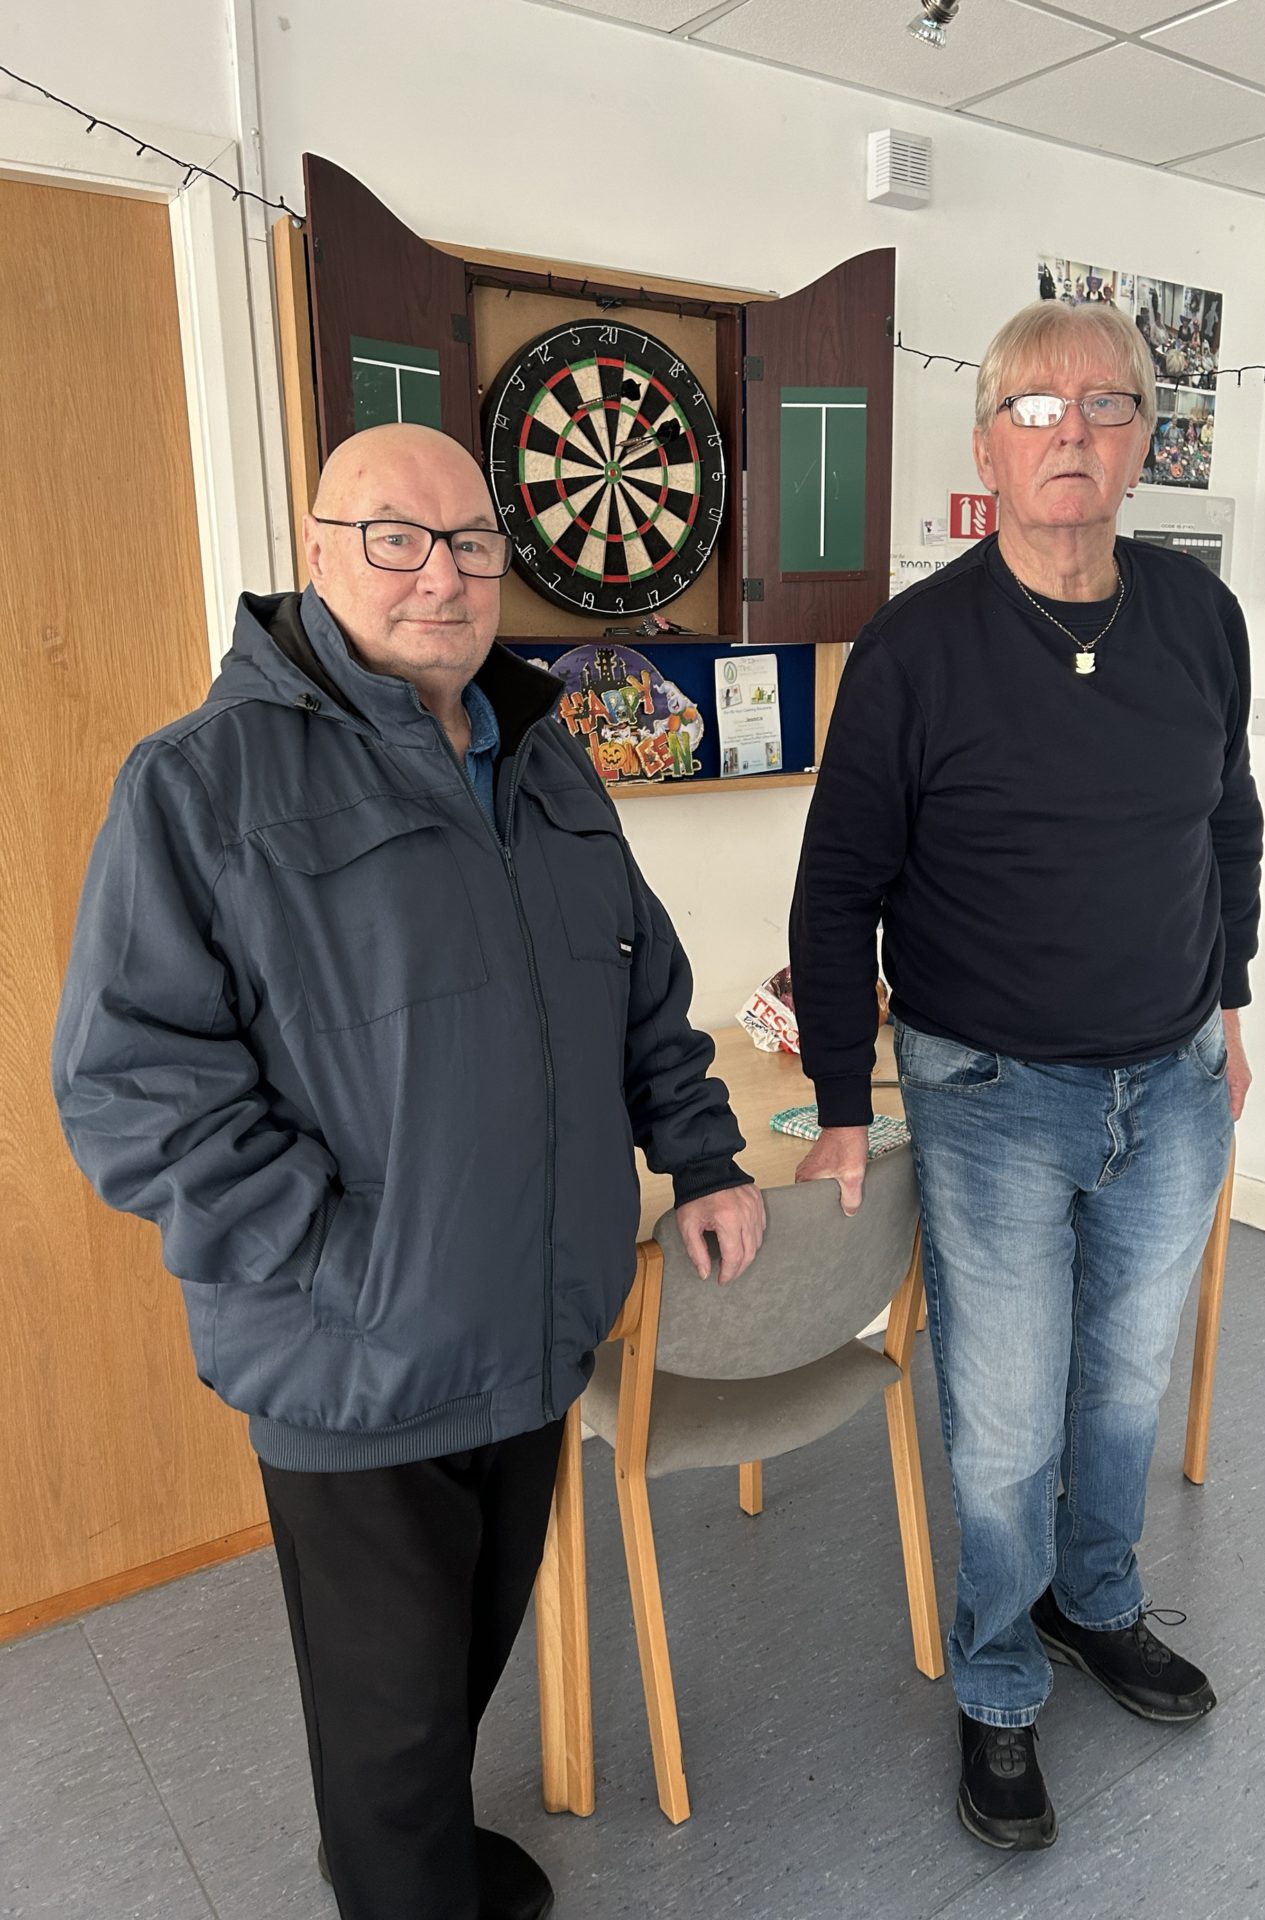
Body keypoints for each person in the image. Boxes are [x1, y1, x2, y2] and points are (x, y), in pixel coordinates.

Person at [53, 422, 766, 1920]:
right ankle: (403, 1883)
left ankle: (419, 1854)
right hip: (354, 1355)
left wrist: (700, 1156)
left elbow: (642, 987)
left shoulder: (550, 760)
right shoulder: (202, 784)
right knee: (382, 1716)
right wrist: (337, 1265)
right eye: (396, 537)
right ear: (315, 553)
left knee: (460, 1664)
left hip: (530, 1329)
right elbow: (131, 1087)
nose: (439, 574)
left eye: (472, 544)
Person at [789, 300, 1261, 1854]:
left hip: (1176, 1079)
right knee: (1000, 1420)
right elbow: (837, 885)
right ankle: (997, 1690)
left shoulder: (1201, 619)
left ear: (1143, 440)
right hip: (990, 1092)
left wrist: (1231, 1005)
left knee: (1125, 1383)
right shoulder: (916, 649)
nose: (1072, 432)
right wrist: (847, 1108)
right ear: (986, 443)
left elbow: (1228, 826)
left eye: (1105, 405)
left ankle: (1095, 1602)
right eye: (1037, 408)